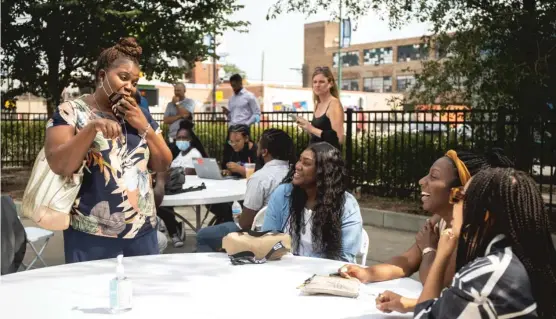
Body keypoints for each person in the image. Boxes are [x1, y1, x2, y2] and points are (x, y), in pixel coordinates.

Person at [44, 37, 172, 263]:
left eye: (134, 82)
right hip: (91, 236)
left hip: (142, 232)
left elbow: (163, 162)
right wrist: (91, 129)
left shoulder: (138, 114)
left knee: (142, 296)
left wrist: (145, 127)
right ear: (102, 76)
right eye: (123, 77)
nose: (129, 87)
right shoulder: (70, 112)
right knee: (90, 297)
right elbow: (60, 165)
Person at [339, 149, 514, 291]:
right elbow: (407, 261)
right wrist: (367, 273)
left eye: (434, 176)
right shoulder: (439, 222)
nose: (422, 181)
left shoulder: (469, 232)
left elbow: (435, 283)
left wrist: (429, 249)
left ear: (459, 191)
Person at [390, 168, 556, 318]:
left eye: (459, 195)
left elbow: (424, 316)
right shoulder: (523, 259)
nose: (453, 202)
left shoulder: (488, 272)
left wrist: (440, 256)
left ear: (484, 215)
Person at [196, 129, 296, 252]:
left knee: (202, 236)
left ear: (264, 152)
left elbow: (245, 224)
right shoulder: (295, 174)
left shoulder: (260, 177)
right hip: (288, 232)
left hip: (259, 235)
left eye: (259, 144)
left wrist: (239, 218)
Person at [262, 142, 363, 263]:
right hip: (285, 270)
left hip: (326, 275)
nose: (298, 166)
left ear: (324, 172)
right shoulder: (283, 194)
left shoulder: (346, 205)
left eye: (306, 163)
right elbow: (268, 240)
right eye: (299, 160)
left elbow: (344, 258)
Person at [156, 120, 208, 248]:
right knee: (159, 203)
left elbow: (199, 170)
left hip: (187, 190)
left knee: (162, 205)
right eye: (178, 138)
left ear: (190, 139)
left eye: (184, 138)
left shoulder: (195, 153)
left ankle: (174, 232)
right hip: (175, 189)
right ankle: (175, 229)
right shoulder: (179, 155)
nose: (181, 140)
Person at [295, 66, 344, 149]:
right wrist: (306, 126)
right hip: (314, 154)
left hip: (327, 157)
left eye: (321, 82)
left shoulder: (334, 104)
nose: (317, 85)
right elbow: (317, 135)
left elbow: (338, 139)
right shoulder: (317, 104)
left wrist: (311, 128)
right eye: (315, 82)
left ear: (330, 84)